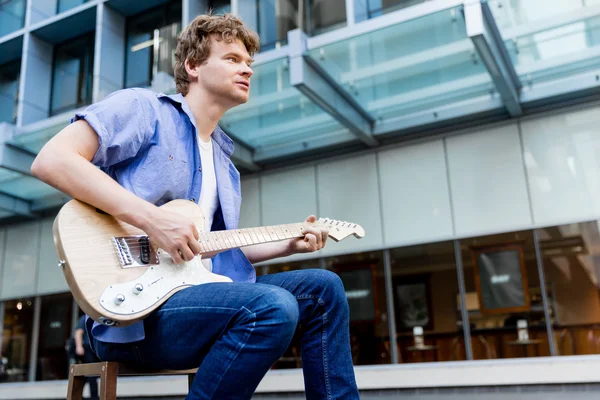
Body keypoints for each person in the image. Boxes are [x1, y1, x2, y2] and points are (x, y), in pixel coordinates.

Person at [31, 13, 359, 400]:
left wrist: (289, 243)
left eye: (249, 62)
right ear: (193, 66)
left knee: (324, 288)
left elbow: (208, 251)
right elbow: (52, 160)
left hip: (197, 299)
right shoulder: (143, 109)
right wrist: (152, 220)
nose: (248, 70)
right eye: (233, 59)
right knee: (272, 306)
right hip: (135, 317)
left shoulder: (225, 163)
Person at [73, 315, 99, 400]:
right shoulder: (85, 318)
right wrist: (79, 346)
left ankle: (77, 395)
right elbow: (78, 333)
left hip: (95, 350)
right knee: (91, 373)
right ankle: (94, 397)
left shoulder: (97, 318)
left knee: (86, 375)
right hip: (87, 350)